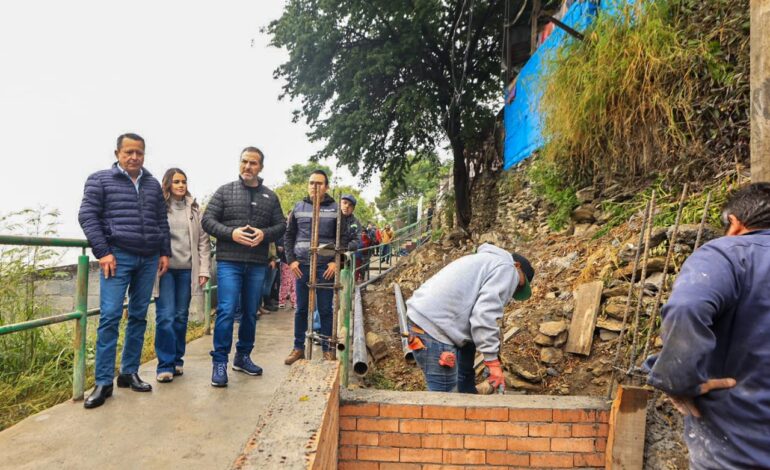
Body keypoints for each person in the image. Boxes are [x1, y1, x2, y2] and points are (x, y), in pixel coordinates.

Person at [645, 183, 770, 469]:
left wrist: (679, 379)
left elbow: (687, 307)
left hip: (736, 454)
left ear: (735, 223)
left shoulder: (728, 254)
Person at [78, 133, 171, 409]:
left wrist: (164, 251)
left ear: (144, 154)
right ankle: (103, 381)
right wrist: (103, 252)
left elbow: (160, 220)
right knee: (109, 317)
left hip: (149, 258)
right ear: (118, 153)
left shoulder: (153, 184)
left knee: (139, 316)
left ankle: (129, 372)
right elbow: (87, 216)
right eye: (128, 152)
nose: (134, 157)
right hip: (117, 256)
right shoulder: (100, 180)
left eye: (139, 153)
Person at [202, 147, 286, 387]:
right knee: (227, 310)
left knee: (250, 312)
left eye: (253, 163)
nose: (247, 167)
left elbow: (281, 225)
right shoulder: (225, 191)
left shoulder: (270, 196)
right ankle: (219, 362)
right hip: (229, 261)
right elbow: (207, 221)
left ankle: (243, 356)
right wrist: (232, 233)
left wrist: (264, 234)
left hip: (257, 263)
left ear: (260, 167)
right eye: (244, 162)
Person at [405, 244, 534, 393]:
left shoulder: (485, 262)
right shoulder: (508, 269)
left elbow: (473, 312)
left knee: (446, 397)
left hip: (423, 322)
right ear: (517, 266)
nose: (515, 289)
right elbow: (485, 315)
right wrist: (492, 362)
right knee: (444, 401)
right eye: (519, 284)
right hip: (434, 330)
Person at [283, 170, 351, 364]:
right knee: (301, 309)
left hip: (325, 267)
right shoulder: (299, 207)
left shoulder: (335, 209)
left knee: (326, 309)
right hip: (301, 265)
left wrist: (335, 262)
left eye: (319, 183)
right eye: (312, 183)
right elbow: (289, 236)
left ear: (326, 187)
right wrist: (291, 260)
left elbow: (344, 238)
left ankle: (328, 350)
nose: (315, 187)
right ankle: (298, 348)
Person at [153, 168, 211, 383]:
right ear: (167, 184)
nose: (180, 185)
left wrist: (204, 270)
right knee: (165, 317)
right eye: (176, 181)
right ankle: (164, 364)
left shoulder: (195, 209)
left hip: (188, 270)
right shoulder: (158, 208)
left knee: (180, 317)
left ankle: (177, 359)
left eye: (183, 181)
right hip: (165, 270)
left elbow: (204, 243)